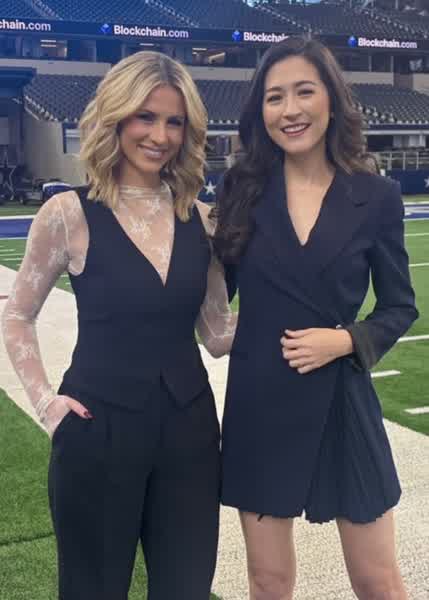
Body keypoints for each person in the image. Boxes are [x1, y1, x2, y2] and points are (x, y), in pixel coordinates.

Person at [2, 51, 236, 600]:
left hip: (189, 435)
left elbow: (217, 333)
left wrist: (304, 321)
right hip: (97, 431)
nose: (160, 135)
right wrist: (47, 405)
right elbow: (16, 315)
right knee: (93, 589)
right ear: (115, 118)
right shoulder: (68, 214)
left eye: (174, 121)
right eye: (145, 117)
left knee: (186, 589)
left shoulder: (203, 219)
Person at [214, 37, 417, 600]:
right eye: (275, 97)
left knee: (378, 582)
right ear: (260, 110)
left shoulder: (376, 196)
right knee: (269, 581)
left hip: (342, 400)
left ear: (332, 98)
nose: (290, 110)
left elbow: (400, 306)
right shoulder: (240, 191)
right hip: (260, 399)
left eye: (304, 91)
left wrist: (347, 340)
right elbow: (208, 293)